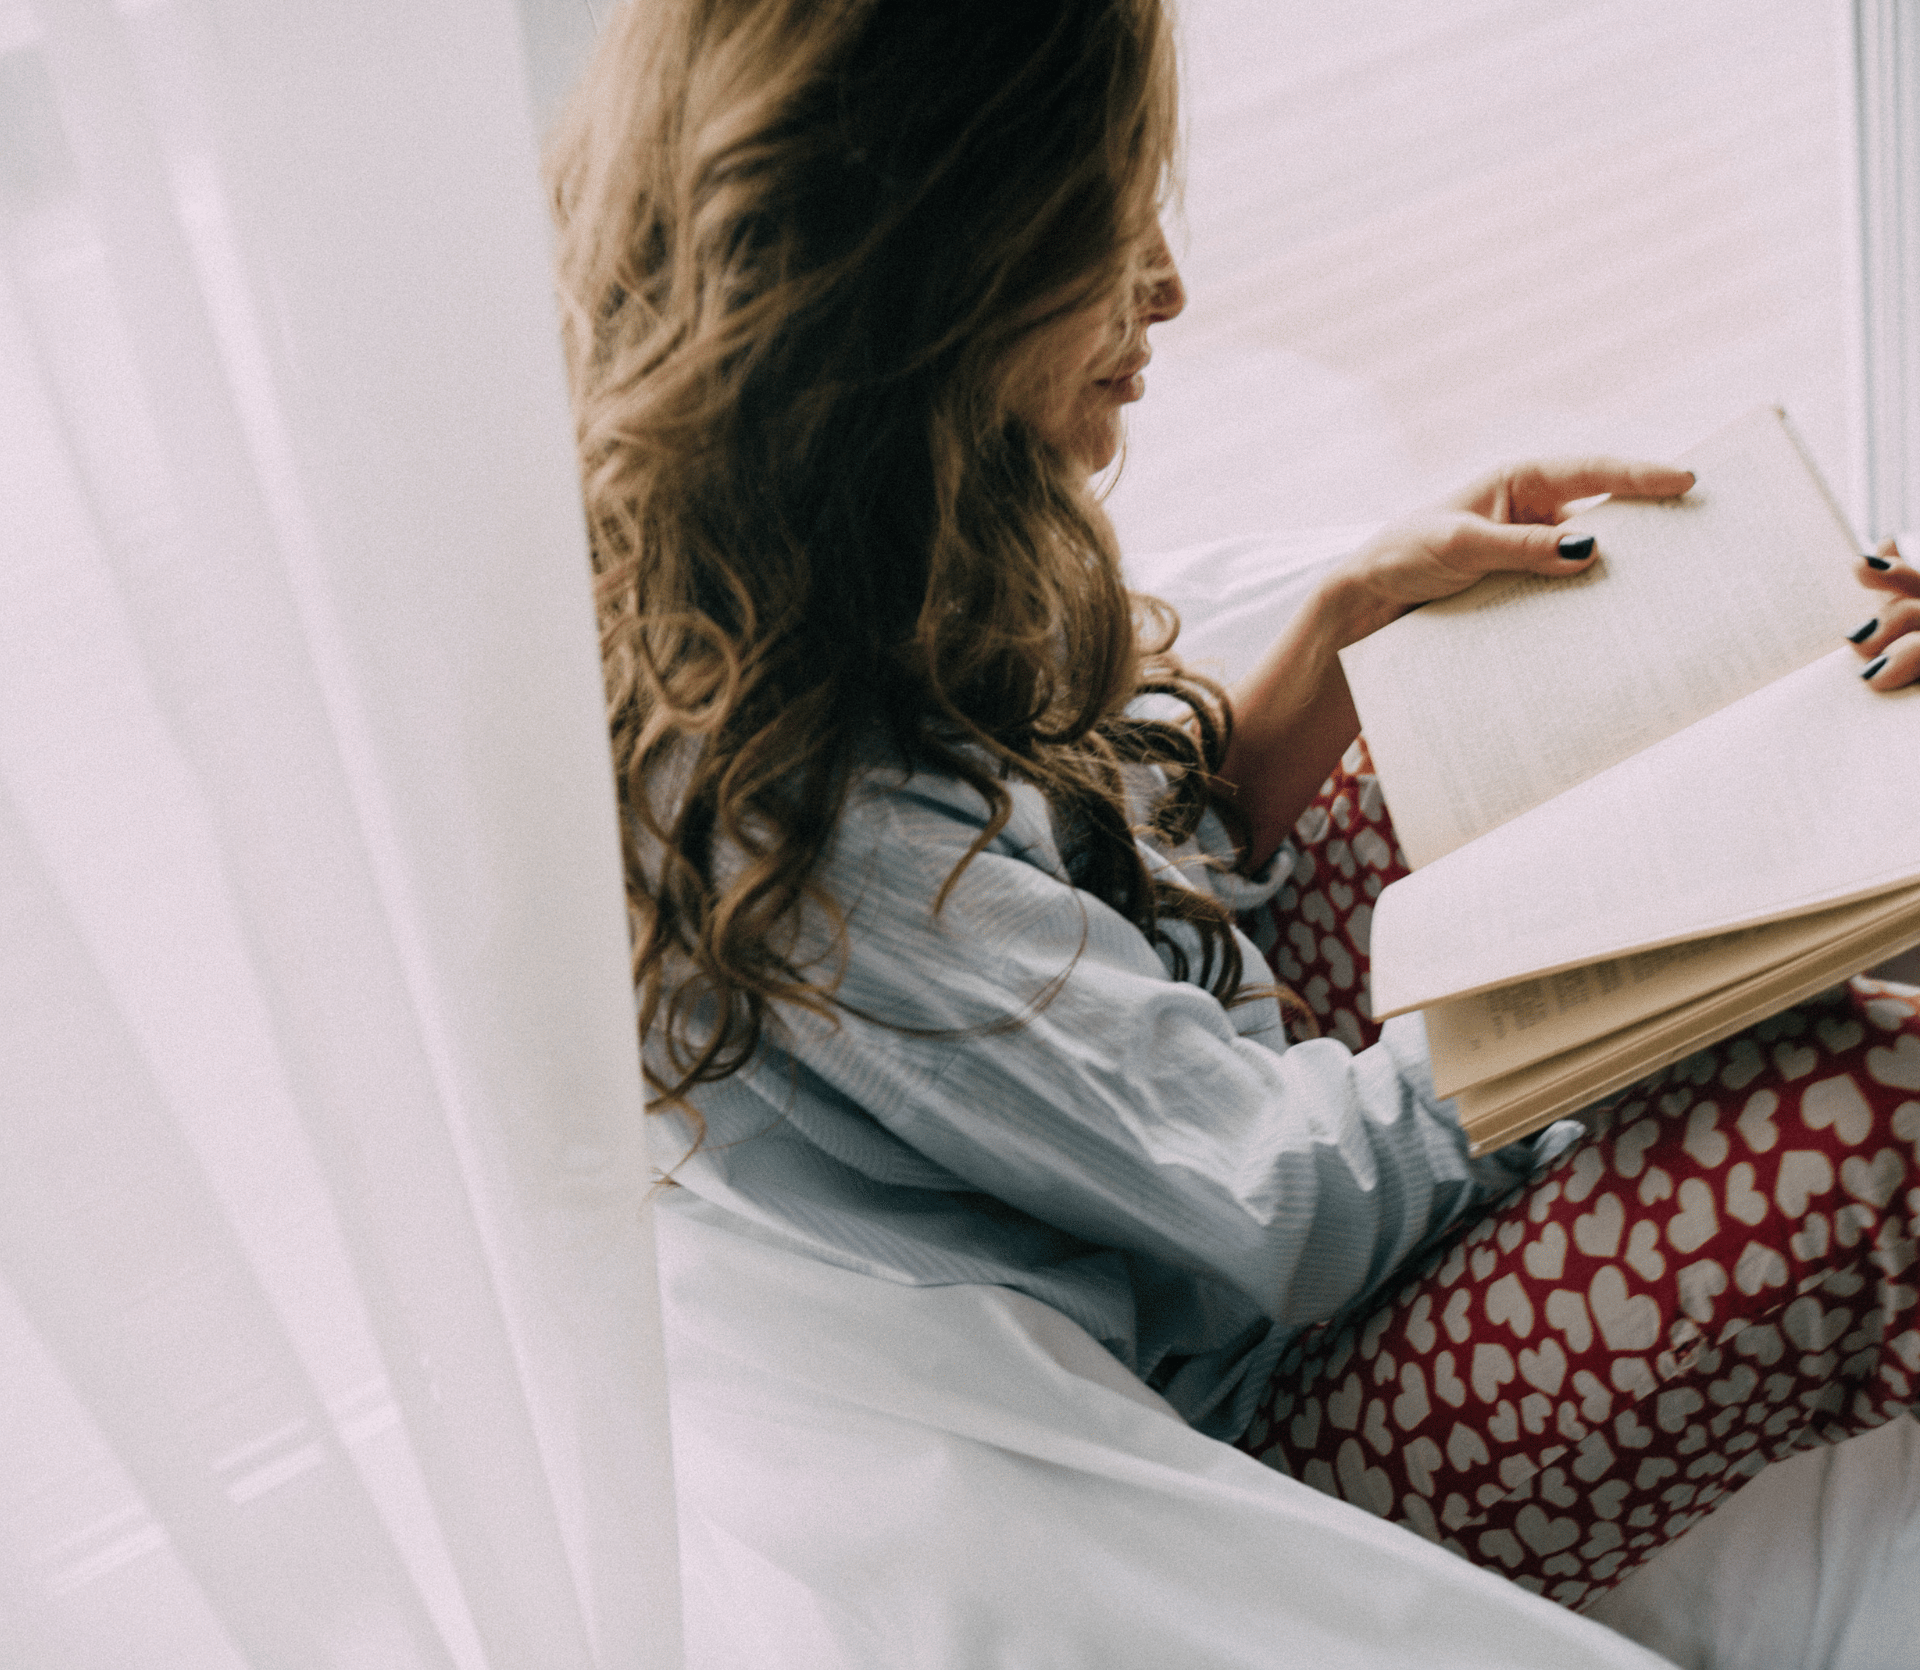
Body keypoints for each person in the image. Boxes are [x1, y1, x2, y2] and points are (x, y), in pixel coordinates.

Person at [546, 0, 1920, 1610]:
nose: (1170, 286)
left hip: (1242, 1204)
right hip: (1259, 1402)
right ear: (926, 270)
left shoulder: (855, 547)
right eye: (1099, 226)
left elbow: (1095, 921)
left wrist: (1328, 648)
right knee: (1876, 1114)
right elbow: (1283, 1201)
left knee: (1570, 703)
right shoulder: (790, 817)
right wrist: (1642, 969)